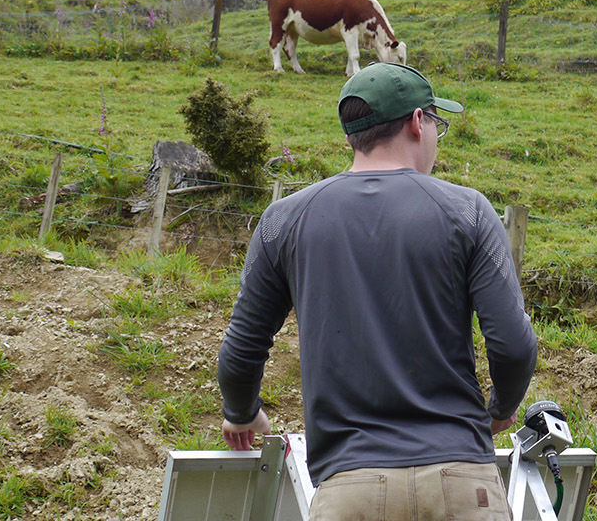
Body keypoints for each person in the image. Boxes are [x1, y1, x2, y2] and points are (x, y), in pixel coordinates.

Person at [217, 63, 538, 521]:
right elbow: (513, 344)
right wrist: (500, 410)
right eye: (435, 124)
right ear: (415, 122)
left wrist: (243, 412)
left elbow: (241, 350)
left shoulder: (284, 221)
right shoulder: (467, 211)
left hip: (350, 488)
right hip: (461, 480)